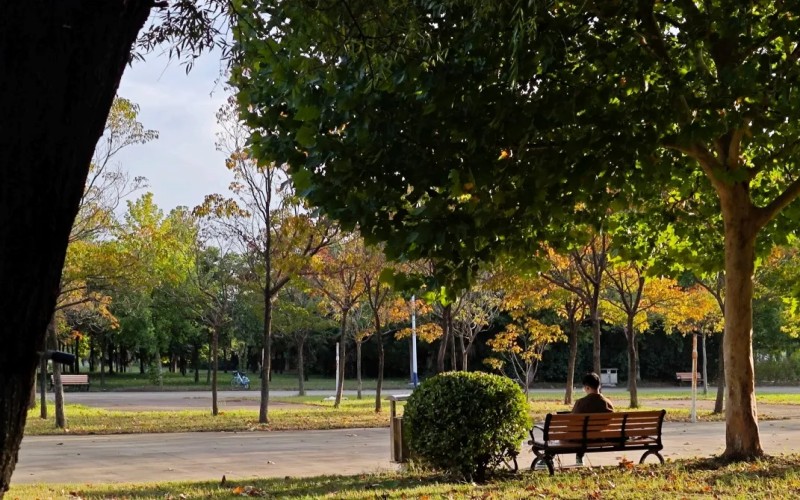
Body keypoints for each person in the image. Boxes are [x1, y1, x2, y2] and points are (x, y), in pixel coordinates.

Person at [571, 372, 614, 466]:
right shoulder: (608, 403)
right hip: (601, 437)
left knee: (572, 434)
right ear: (599, 386)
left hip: (582, 439)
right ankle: (579, 456)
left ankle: (549, 457)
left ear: (587, 388)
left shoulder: (580, 403)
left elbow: (572, 423)